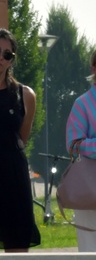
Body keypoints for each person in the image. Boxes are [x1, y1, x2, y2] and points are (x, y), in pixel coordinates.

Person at [0, 28, 41, 251]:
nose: (0, 57)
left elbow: (20, 138)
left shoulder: (26, 95)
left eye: (7, 54)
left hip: (13, 179)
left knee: (17, 249)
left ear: (11, 61)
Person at [65, 48, 96, 249]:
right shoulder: (82, 103)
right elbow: (73, 144)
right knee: (90, 249)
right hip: (90, 191)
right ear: (94, 68)